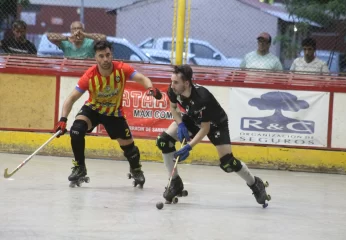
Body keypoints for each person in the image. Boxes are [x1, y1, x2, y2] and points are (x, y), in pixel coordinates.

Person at [156, 64, 271, 207]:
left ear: (186, 83)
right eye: (172, 81)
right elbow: (173, 108)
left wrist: (189, 147)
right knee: (163, 141)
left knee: (228, 163)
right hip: (193, 119)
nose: (172, 85)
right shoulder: (173, 90)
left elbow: (205, 128)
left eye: (176, 82)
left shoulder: (202, 97)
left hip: (217, 124)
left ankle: (255, 183)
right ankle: (175, 182)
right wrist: (180, 124)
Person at [55, 40, 162, 187]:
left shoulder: (121, 69)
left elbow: (142, 78)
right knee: (76, 131)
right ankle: (79, 167)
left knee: (129, 149)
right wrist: (62, 120)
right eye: (101, 56)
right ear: (95, 57)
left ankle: (136, 169)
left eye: (107, 55)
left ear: (111, 54)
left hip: (113, 113)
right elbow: (71, 98)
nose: (105, 59)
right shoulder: (89, 76)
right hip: (93, 109)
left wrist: (150, 88)